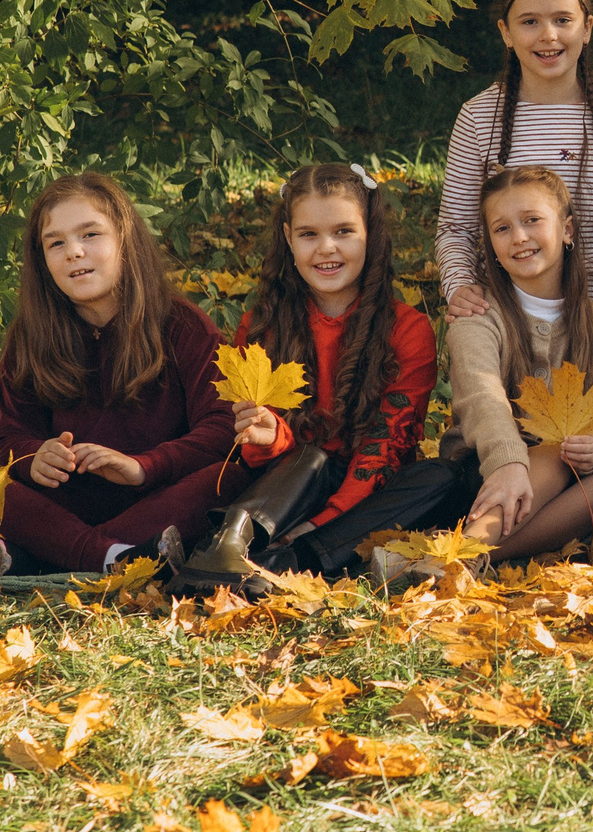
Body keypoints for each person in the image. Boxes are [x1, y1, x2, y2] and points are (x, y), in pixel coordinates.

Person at [0, 173, 240, 574]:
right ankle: (110, 558)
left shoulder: (182, 325)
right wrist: (33, 459)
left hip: (157, 497)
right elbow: (10, 438)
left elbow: (221, 428)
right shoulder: (33, 337)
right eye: (56, 242)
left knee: (229, 477)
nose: (73, 252)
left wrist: (142, 467)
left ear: (124, 241)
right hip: (64, 503)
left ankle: (50, 555)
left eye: (90, 235)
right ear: (42, 260)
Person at [172, 163, 450, 590]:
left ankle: (281, 561)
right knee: (308, 459)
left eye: (343, 232)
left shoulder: (407, 330)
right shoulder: (260, 329)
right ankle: (231, 544)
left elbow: (385, 449)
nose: (326, 249)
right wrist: (271, 440)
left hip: (365, 496)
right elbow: (256, 456)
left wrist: (318, 525)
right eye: (308, 235)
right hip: (283, 490)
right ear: (288, 238)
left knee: (440, 478)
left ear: (369, 234)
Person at [436, 0, 593, 312]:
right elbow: (455, 226)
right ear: (506, 33)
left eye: (562, 20)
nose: (548, 35)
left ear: (586, 28)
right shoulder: (478, 117)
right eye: (529, 22)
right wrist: (460, 285)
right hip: (511, 307)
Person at [441, 165, 593, 561]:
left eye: (532, 221)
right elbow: (482, 399)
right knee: (548, 454)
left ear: (568, 230)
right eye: (502, 228)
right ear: (489, 243)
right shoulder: (477, 314)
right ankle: (465, 553)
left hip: (563, 484)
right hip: (480, 475)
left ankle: (469, 558)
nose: (520, 237)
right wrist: (509, 462)